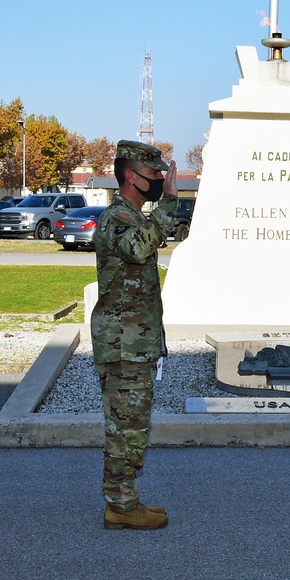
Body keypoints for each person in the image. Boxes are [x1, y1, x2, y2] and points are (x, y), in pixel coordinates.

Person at [91, 140, 178, 530]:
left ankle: (124, 500)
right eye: (154, 174)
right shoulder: (117, 218)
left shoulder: (132, 216)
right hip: (122, 343)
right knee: (125, 428)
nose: (160, 179)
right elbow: (139, 248)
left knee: (132, 426)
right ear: (131, 176)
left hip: (134, 342)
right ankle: (121, 506)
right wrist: (169, 204)